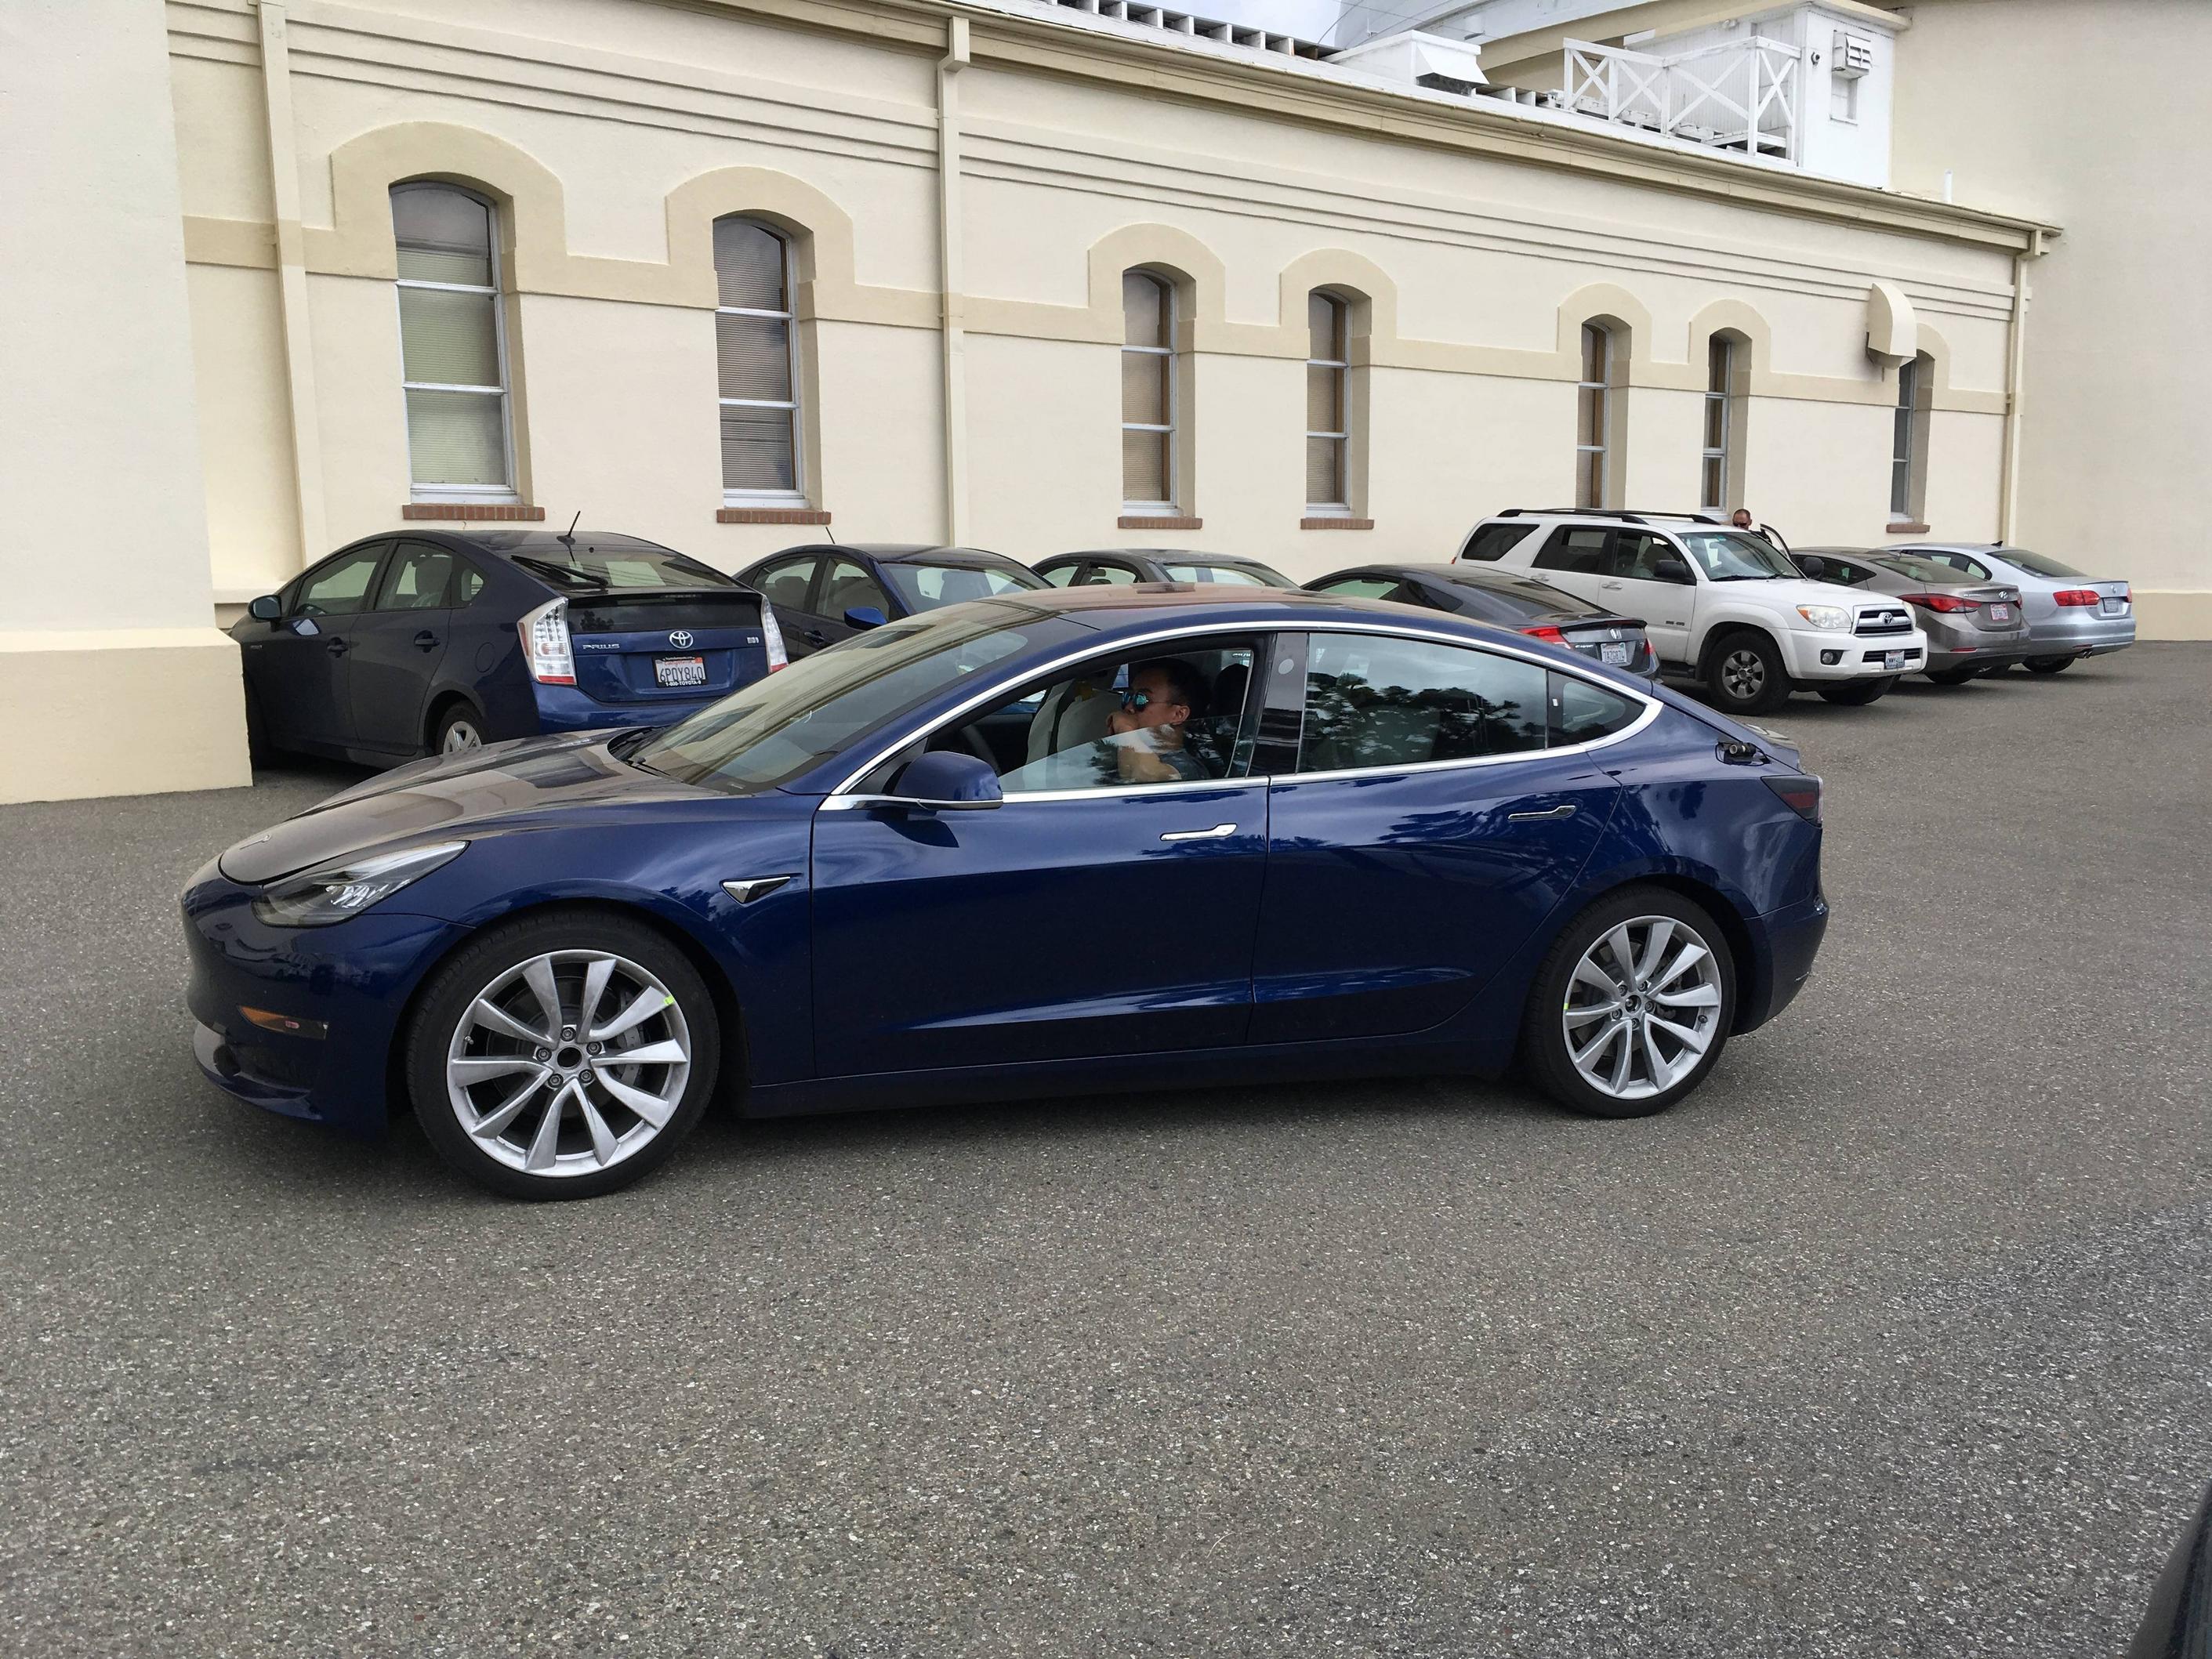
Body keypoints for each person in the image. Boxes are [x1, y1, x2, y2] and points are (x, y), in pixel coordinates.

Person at [1103, 657, 1210, 783]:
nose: (1129, 708)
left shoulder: (1186, 768)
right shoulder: (1123, 756)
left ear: (1178, 714)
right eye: (1129, 696)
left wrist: (1125, 728)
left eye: (1141, 699)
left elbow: (1142, 775)